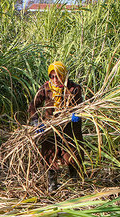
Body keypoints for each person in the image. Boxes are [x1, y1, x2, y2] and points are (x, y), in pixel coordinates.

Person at [29, 61, 84, 192]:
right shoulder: (46, 88)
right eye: (52, 76)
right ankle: (52, 185)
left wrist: (76, 114)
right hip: (51, 127)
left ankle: (74, 182)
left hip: (70, 127)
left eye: (58, 76)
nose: (55, 79)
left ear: (64, 75)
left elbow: (80, 106)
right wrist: (36, 123)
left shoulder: (74, 88)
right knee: (49, 154)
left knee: (72, 155)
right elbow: (33, 106)